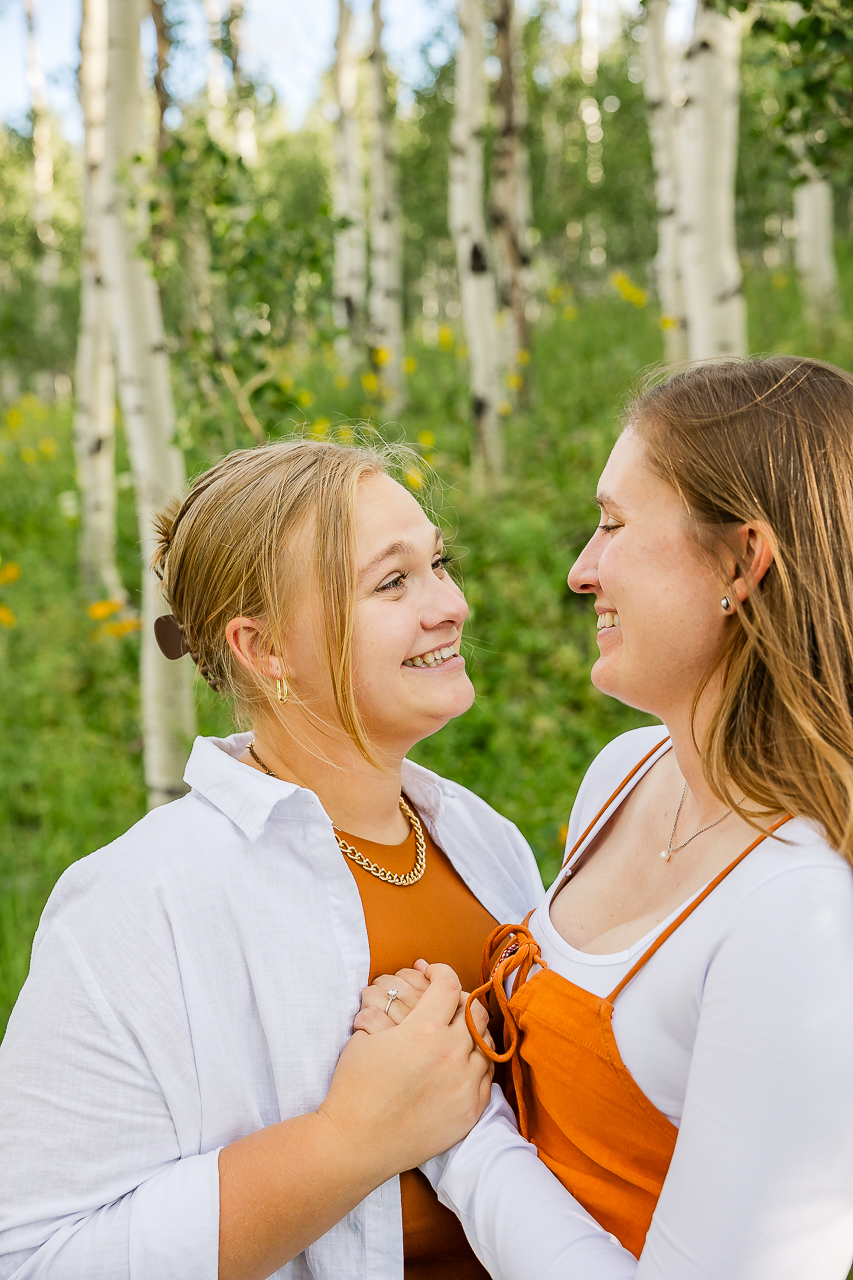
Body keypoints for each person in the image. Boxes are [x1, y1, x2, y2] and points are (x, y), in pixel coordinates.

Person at [0, 438, 543, 1280]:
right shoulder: (135, 906)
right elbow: (33, 1259)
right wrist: (347, 1144)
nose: (448, 604)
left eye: (438, 563)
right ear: (264, 650)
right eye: (391, 582)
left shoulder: (481, 839)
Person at [358, 356, 853, 1279]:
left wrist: (455, 1134)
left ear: (742, 560)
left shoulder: (802, 914)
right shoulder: (625, 776)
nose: (582, 571)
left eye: (614, 525)